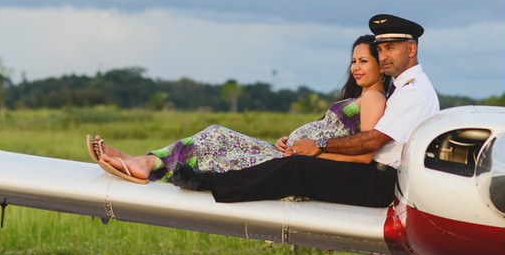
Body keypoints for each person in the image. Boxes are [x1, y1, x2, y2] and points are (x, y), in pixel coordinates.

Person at [170, 13, 439, 208]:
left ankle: (211, 184)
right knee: (292, 162)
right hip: (372, 175)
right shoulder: (403, 88)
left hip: (377, 182)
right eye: (380, 49)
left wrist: (320, 146)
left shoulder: (415, 91)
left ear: (411, 49)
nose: (384, 56)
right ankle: (200, 173)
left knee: (297, 167)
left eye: (390, 48)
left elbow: (374, 140)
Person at [89, 35, 389, 183]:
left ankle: (146, 165)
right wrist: (296, 144)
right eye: (353, 60)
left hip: (296, 167)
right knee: (215, 136)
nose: (356, 68)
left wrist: (313, 151)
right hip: (291, 156)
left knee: (216, 139)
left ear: (381, 65)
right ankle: (144, 162)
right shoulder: (363, 96)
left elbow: (363, 153)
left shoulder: (374, 98)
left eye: (364, 61)